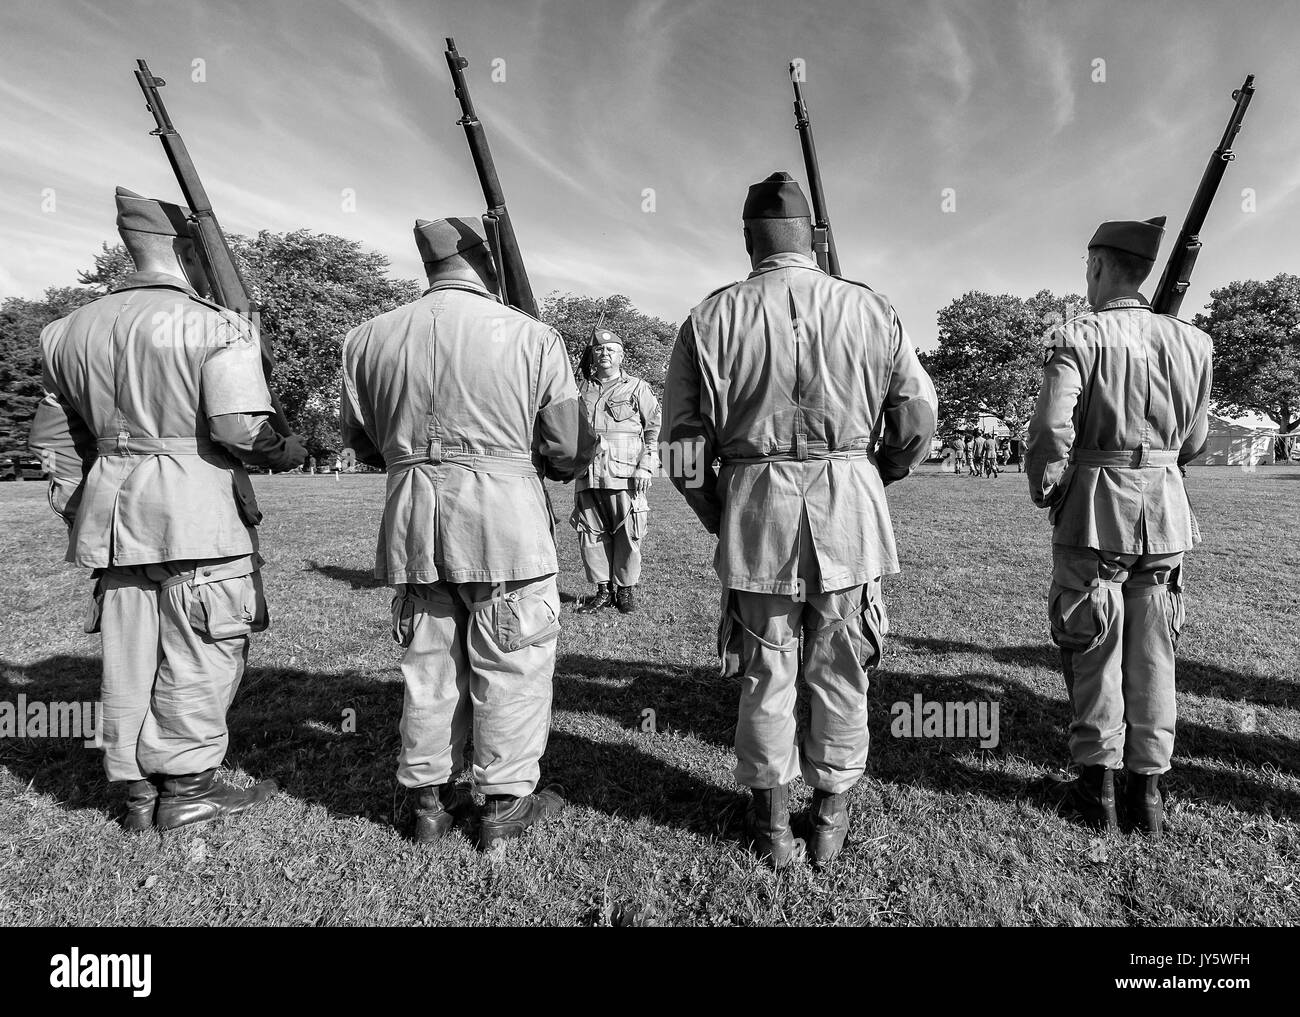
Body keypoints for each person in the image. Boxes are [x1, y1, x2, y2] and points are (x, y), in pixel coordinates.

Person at [663, 172, 936, 869]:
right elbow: (915, 419)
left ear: (749, 239)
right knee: (842, 665)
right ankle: (831, 814)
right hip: (848, 501)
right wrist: (876, 475)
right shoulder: (872, 309)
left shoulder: (708, 317)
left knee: (764, 669)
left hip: (755, 506)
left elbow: (685, 447)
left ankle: (772, 823)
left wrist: (721, 511)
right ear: (814, 238)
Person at [28, 187, 305, 831]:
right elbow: (239, 431)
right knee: (204, 645)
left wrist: (86, 511)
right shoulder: (216, 323)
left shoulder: (64, 332)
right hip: (198, 516)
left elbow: (53, 445)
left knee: (131, 650)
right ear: (185, 249)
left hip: (114, 518)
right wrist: (283, 449)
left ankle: (136, 791)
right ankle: (186, 788)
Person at [341, 217, 589, 850]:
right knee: (513, 658)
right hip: (503, 519)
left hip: (411, 521)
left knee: (428, 664)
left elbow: (361, 442)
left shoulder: (366, 338)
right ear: (488, 261)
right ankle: (503, 806)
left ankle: (428, 803)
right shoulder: (533, 336)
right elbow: (565, 452)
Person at [1027, 215, 1212, 838]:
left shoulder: (1078, 336)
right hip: (1164, 511)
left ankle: (1096, 790)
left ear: (1100, 265)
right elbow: (1196, 440)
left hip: (1094, 509)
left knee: (1093, 646)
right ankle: (1149, 793)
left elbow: (1054, 431)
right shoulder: (1194, 342)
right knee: (1155, 651)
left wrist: (1049, 487)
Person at [571, 326, 661, 614]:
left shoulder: (637, 387)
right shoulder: (580, 389)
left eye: (611, 349)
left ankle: (625, 591)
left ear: (621, 356)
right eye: (599, 349)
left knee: (628, 532)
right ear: (592, 355)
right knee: (590, 532)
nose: (604, 353)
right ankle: (602, 590)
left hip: (625, 472)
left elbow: (654, 429)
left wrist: (646, 467)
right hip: (588, 472)